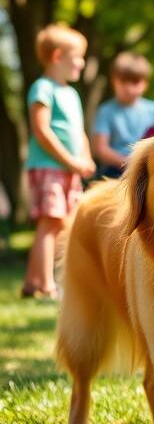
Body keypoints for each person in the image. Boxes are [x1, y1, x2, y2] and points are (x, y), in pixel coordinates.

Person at [22, 23, 96, 300]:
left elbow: (78, 133)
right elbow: (41, 131)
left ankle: (31, 283)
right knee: (50, 223)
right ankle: (47, 285)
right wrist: (71, 162)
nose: (82, 63)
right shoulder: (42, 88)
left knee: (61, 224)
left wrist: (84, 158)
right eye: (77, 56)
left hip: (68, 169)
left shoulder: (72, 94)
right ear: (56, 57)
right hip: (49, 168)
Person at [92, 52, 154, 178]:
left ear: (145, 84)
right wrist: (127, 163)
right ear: (114, 80)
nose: (128, 88)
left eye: (135, 82)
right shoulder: (107, 111)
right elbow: (100, 149)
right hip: (114, 170)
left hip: (147, 168)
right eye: (123, 82)